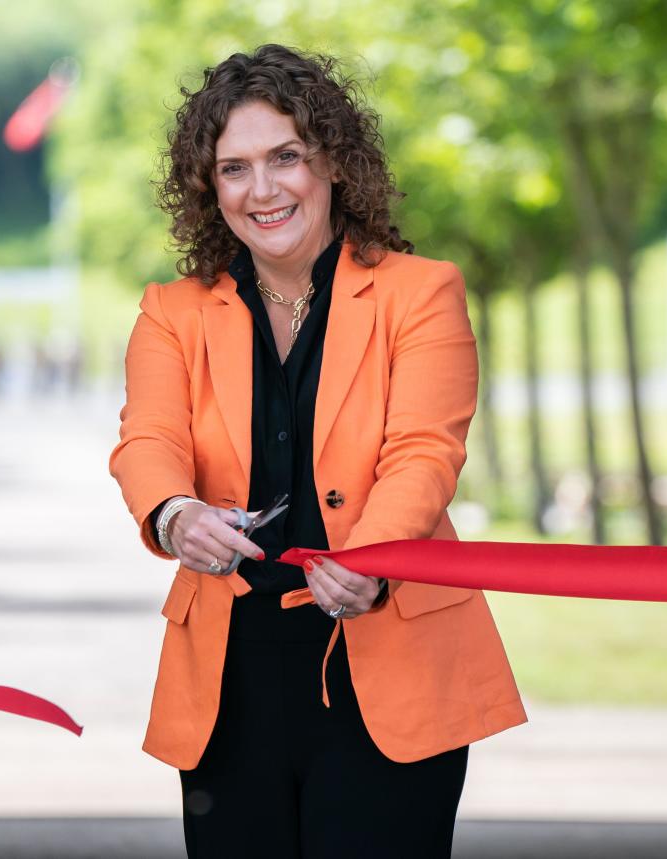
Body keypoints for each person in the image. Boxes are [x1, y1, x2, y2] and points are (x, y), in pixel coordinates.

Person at [110, 44, 526, 858]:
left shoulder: (422, 292)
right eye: (234, 168)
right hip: (230, 682)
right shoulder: (171, 311)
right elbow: (146, 441)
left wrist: (369, 553)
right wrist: (173, 513)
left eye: (285, 158)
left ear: (331, 160)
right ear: (209, 187)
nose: (261, 190)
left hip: (390, 659)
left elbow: (423, 453)